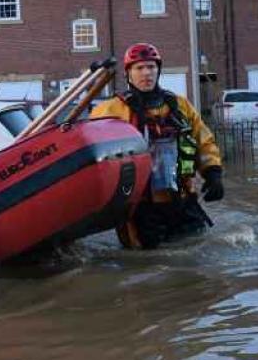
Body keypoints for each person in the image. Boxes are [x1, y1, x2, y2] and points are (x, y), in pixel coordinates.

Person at [90, 42, 224, 249]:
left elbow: (203, 140)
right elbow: (93, 149)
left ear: (158, 70)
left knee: (201, 247)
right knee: (148, 258)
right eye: (139, 68)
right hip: (140, 207)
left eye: (151, 67)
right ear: (128, 73)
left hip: (180, 196)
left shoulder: (179, 105)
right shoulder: (110, 109)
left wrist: (213, 173)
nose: (146, 73)